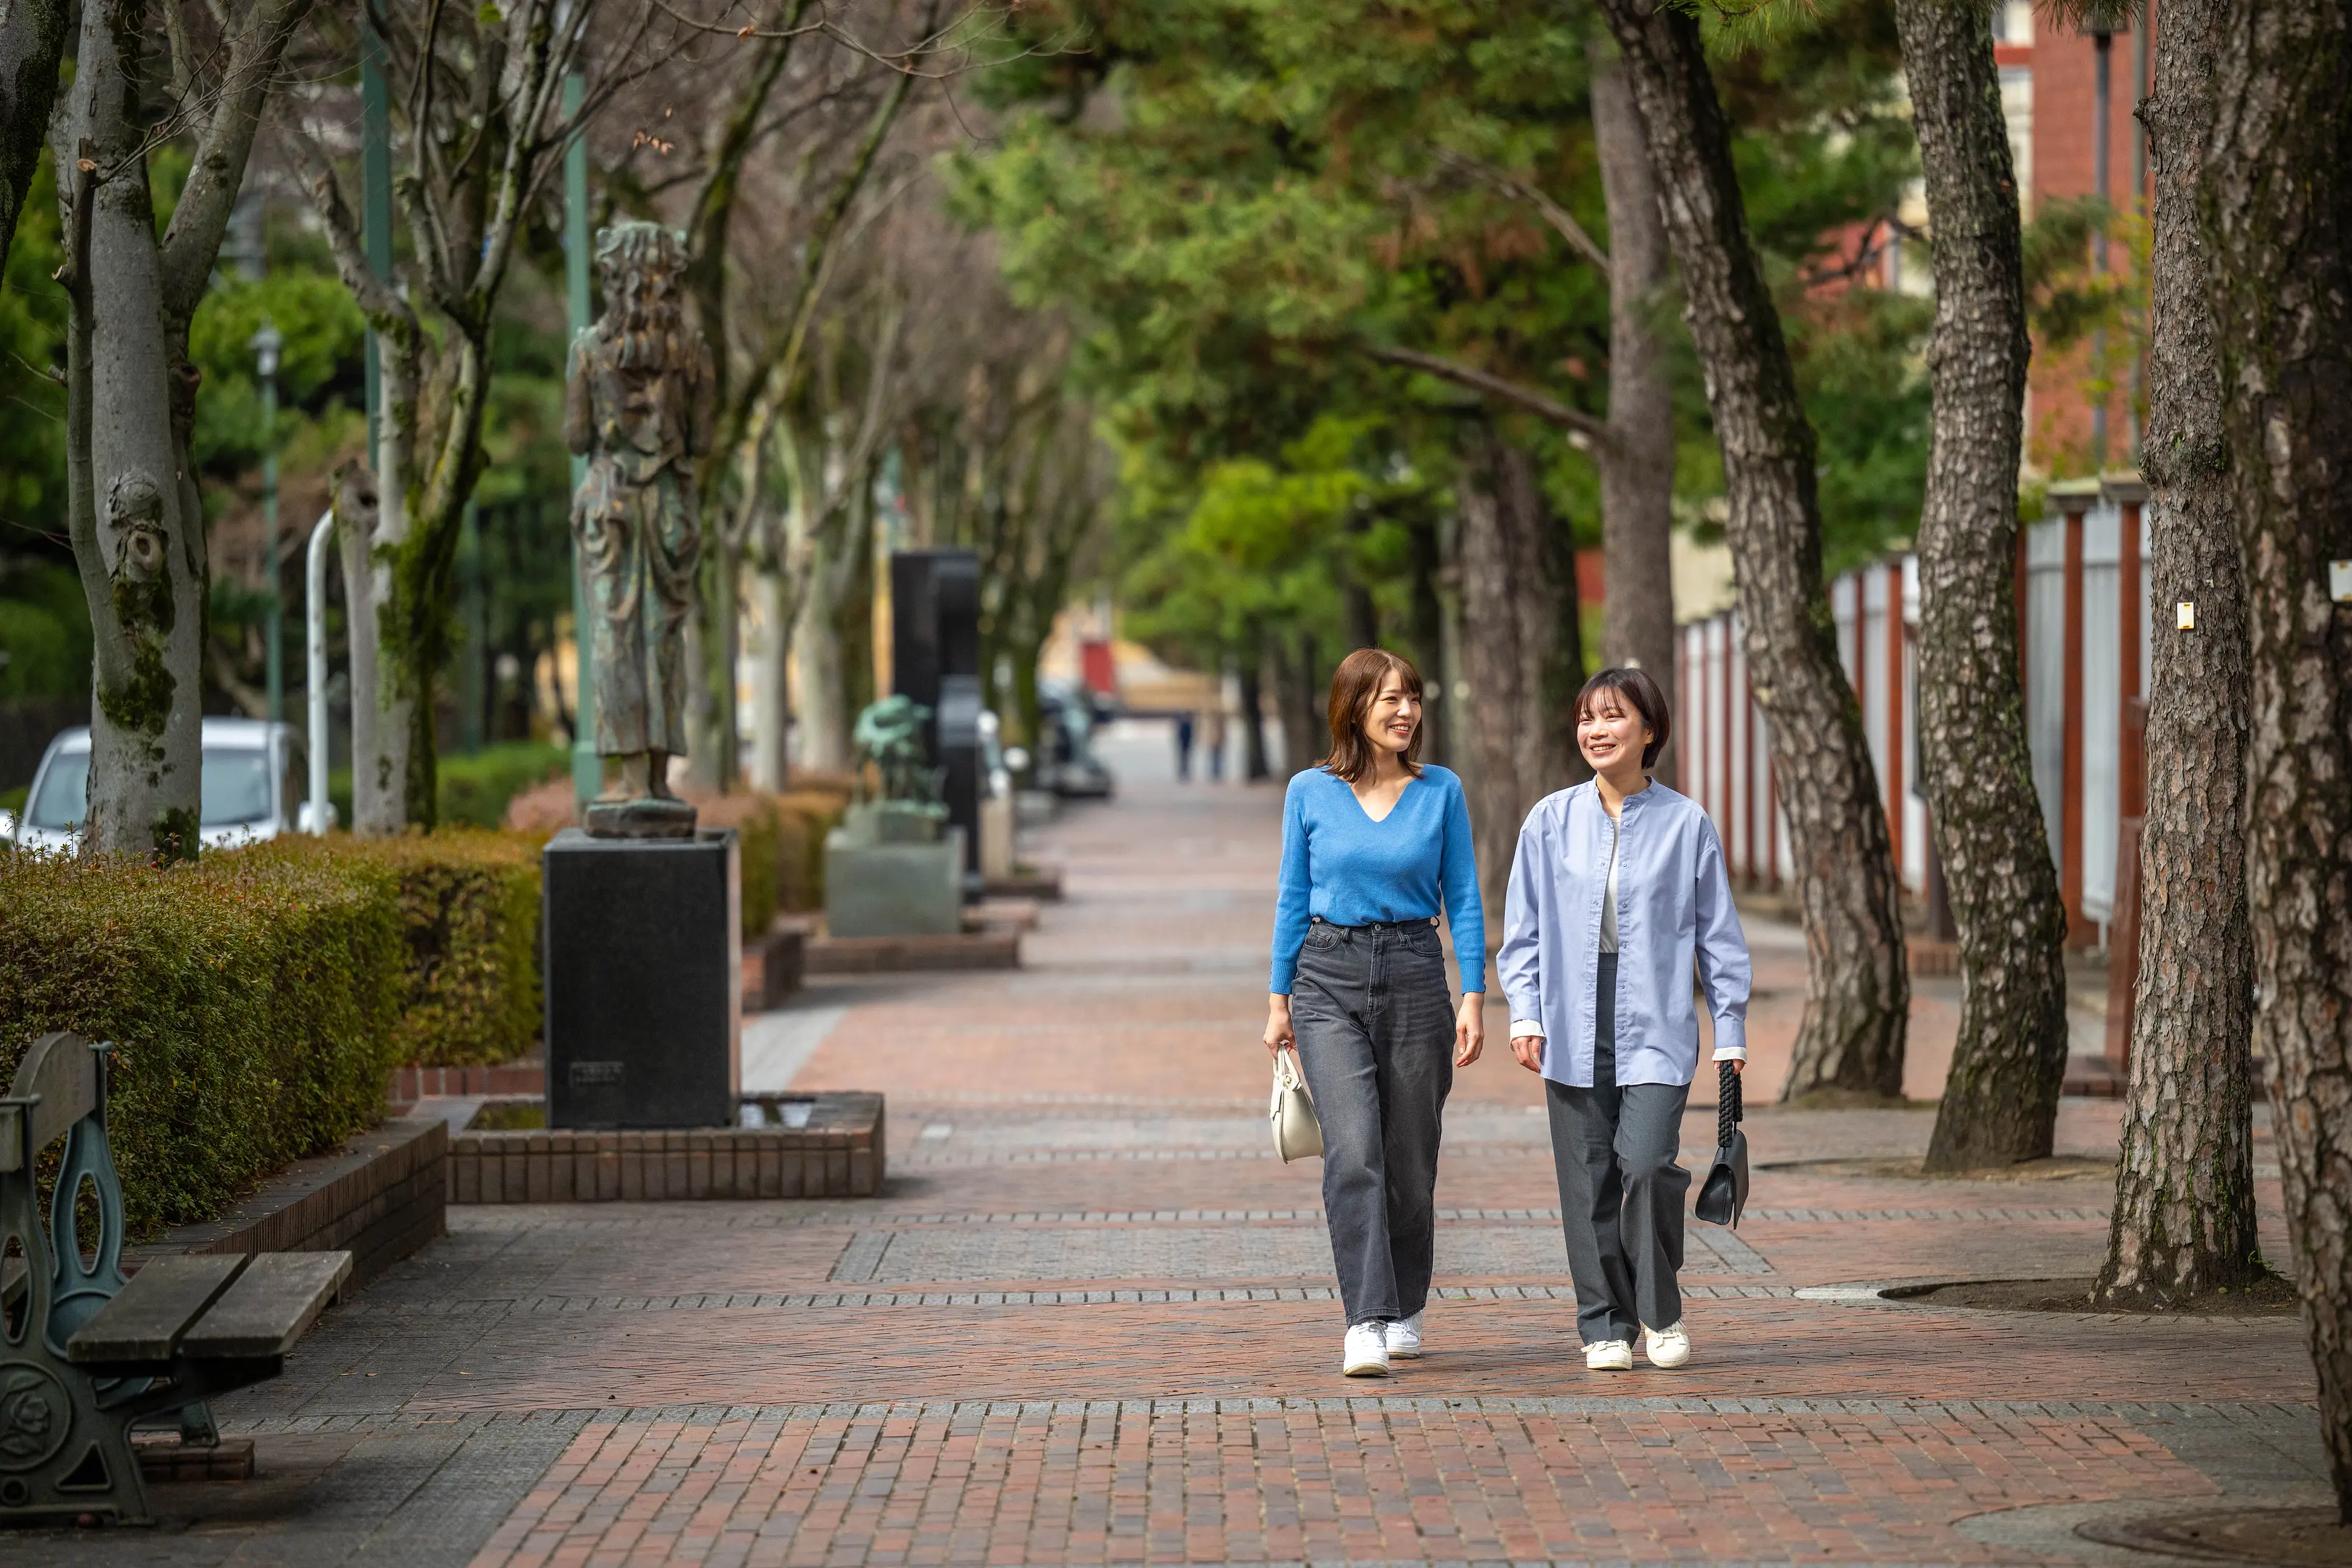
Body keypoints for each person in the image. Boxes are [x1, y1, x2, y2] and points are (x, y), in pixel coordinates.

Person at [1497, 667, 1749, 1373]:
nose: (1596, 731)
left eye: (1612, 717)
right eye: (1586, 718)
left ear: (1649, 730)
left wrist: (1730, 1030)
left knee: (1644, 1163)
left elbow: (1718, 936)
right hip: (1572, 1022)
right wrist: (1526, 1014)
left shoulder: (1686, 823)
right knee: (1588, 1178)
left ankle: (1659, 1308)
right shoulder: (1550, 819)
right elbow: (1523, 933)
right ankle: (1604, 1323)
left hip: (1660, 1022)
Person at [1265, 649, 1486, 1377]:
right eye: (1390, 698)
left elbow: (1464, 895)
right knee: (1353, 1148)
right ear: (1353, 706)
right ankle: (1365, 1318)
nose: (1405, 711)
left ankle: (1405, 1306)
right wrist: (1278, 1000)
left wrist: (1475, 993)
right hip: (1326, 977)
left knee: (1411, 1161)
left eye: (1414, 698)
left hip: (1417, 974)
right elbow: (1293, 896)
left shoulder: (1441, 790)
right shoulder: (1309, 791)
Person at [1175, 711, 1196, 780]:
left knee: (1185, 761)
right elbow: (1181, 736)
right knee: (1183, 761)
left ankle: (1184, 773)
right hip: (1184, 745)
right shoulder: (1185, 725)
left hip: (1186, 745)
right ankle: (1182, 773)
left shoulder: (1187, 725)